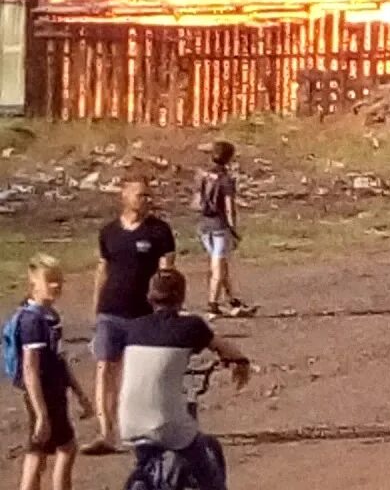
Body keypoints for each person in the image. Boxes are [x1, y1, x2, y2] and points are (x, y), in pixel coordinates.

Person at [119, 269, 251, 490]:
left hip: (128, 420)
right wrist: (241, 362)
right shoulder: (191, 326)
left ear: (150, 296)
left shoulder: (134, 327)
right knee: (206, 467)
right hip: (165, 421)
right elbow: (225, 349)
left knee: (146, 460)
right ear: (181, 296)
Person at [83, 176, 176, 456]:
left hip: (144, 314)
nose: (145, 200)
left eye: (148, 196)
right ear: (124, 197)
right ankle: (106, 432)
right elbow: (103, 269)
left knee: (141, 375)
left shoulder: (159, 231)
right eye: (140, 195)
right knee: (104, 370)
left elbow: (167, 272)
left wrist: (167, 306)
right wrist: (96, 305)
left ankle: (141, 428)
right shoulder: (109, 232)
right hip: (111, 312)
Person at [11, 255, 93, 490]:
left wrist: (79, 394)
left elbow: (60, 360)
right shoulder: (32, 322)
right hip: (44, 396)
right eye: (50, 281)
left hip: (55, 393)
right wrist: (41, 413)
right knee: (62, 449)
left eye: (59, 280)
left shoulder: (50, 317)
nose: (57, 286)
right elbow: (30, 369)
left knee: (39, 452)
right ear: (34, 284)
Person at [194, 140, 253, 319]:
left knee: (220, 263)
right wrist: (233, 229)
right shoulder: (226, 180)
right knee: (218, 266)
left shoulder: (202, 176)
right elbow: (229, 208)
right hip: (220, 226)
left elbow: (196, 202)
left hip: (204, 225)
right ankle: (212, 305)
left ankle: (232, 300)